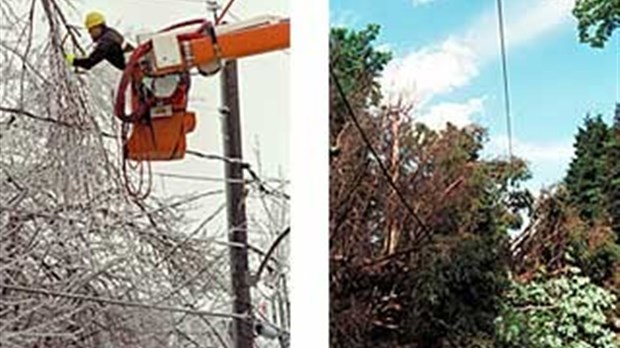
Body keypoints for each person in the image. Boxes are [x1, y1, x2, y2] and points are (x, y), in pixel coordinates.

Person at [65, 11, 133, 71]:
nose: (90, 33)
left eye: (91, 30)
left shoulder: (106, 41)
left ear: (98, 27)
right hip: (134, 67)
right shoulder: (111, 34)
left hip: (132, 68)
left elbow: (89, 63)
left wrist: (73, 61)